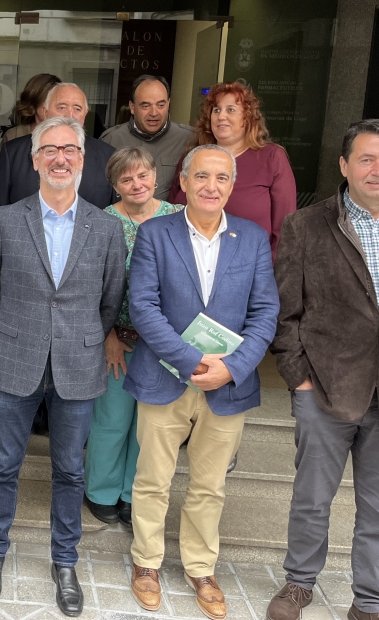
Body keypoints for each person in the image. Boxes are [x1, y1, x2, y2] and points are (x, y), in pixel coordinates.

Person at [267, 119, 379, 620]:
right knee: (311, 500)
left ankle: (371, 601)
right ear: (344, 165)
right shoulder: (306, 224)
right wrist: (300, 380)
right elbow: (283, 311)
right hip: (326, 389)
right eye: (366, 158)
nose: (378, 170)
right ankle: (298, 583)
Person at [0, 116, 126, 616]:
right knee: (3, 466)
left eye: (70, 150)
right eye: (50, 150)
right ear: (35, 158)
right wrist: (23, 331)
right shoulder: (4, 219)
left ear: (83, 160)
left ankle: (65, 561)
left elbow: (110, 302)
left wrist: (75, 337)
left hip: (78, 364)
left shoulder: (105, 227)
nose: (60, 158)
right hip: (15, 359)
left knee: (68, 470)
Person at [124, 144, 278, 620]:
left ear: (231, 186)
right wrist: (189, 359)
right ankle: (146, 563)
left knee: (209, 485)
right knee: (152, 478)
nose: (212, 186)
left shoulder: (251, 238)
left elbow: (265, 311)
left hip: (228, 384)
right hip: (167, 375)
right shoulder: (154, 233)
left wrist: (234, 366)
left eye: (222, 178)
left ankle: (200, 567)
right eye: (202, 177)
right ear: (184, 183)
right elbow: (143, 305)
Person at [84, 147, 182, 529]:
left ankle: (132, 494)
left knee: (149, 425)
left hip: (165, 344)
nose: (136, 184)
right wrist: (107, 333)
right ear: (114, 185)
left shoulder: (177, 218)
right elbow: (90, 285)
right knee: (111, 421)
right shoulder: (102, 222)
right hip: (118, 340)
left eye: (142, 175)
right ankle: (101, 491)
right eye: (126, 179)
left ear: (156, 176)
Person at [169, 81, 295, 259]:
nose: (221, 116)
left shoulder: (271, 157)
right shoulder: (192, 157)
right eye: (216, 110)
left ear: (247, 118)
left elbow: (286, 227)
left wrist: (268, 274)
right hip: (188, 263)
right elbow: (170, 213)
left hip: (249, 268)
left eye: (231, 110)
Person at [0, 83, 116, 245]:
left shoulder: (108, 155)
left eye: (77, 109)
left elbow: (114, 217)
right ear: (45, 111)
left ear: (85, 114)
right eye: (61, 107)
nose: (69, 115)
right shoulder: (13, 152)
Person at [99, 75, 194, 201]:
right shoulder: (111, 140)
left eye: (160, 105)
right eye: (145, 106)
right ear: (132, 107)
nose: (154, 113)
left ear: (168, 104)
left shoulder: (189, 139)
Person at [0, 73, 61, 148]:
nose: (51, 106)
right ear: (34, 101)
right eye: (47, 100)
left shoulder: (69, 134)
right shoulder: (13, 136)